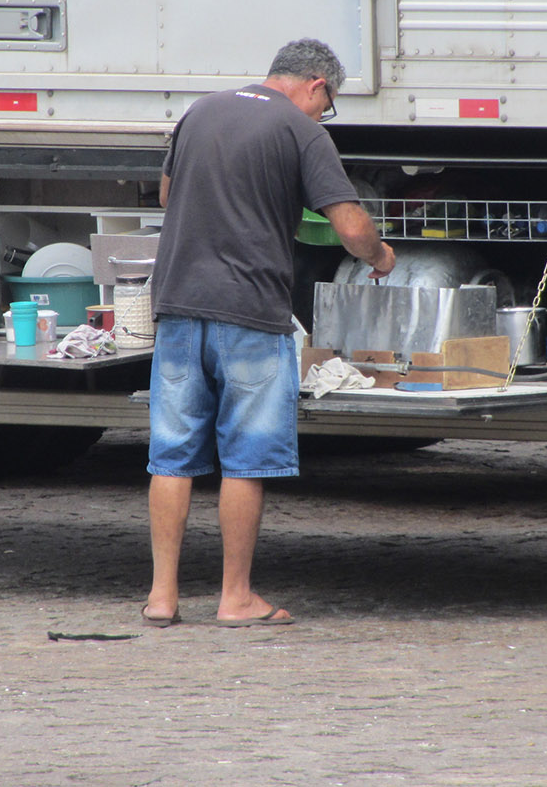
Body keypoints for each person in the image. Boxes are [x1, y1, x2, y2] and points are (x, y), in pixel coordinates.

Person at [142, 38, 395, 628]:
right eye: (326, 102)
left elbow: (167, 195)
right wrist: (380, 255)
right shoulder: (303, 133)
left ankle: (161, 597)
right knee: (246, 459)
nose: (323, 114)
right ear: (315, 85)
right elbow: (350, 225)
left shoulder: (200, 112)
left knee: (172, 457)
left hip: (178, 304)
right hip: (250, 312)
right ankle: (235, 599)